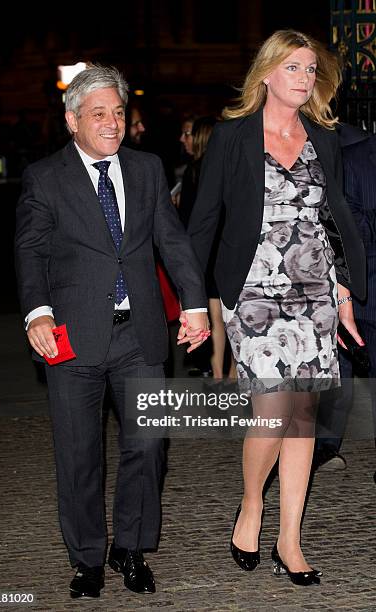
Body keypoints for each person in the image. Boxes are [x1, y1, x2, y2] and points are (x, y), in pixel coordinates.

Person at [15, 64, 209, 600]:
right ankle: (87, 560)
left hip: (139, 333)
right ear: (72, 119)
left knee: (148, 446)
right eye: (99, 114)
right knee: (79, 453)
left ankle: (131, 547)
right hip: (71, 336)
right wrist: (38, 312)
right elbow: (30, 251)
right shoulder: (45, 177)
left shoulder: (146, 169)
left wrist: (195, 305)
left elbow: (172, 242)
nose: (112, 123)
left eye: (119, 113)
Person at [188, 30, 366, 586]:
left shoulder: (324, 138)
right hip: (255, 290)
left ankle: (291, 539)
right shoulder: (233, 137)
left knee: (303, 415)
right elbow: (204, 222)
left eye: (311, 69)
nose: (304, 77)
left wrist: (343, 292)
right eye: (293, 67)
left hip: (314, 290)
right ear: (266, 73)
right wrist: (195, 304)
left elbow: (333, 221)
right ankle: (251, 505)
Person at [316, 133, 376, 476]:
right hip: (358, 292)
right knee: (341, 370)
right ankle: (325, 444)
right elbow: (342, 234)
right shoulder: (353, 160)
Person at [179, 115, 237, 381]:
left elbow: (192, 220)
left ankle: (216, 376)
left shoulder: (196, 171)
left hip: (208, 252)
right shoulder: (232, 167)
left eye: (189, 134)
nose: (184, 139)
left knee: (215, 319)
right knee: (232, 318)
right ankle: (235, 374)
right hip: (229, 250)